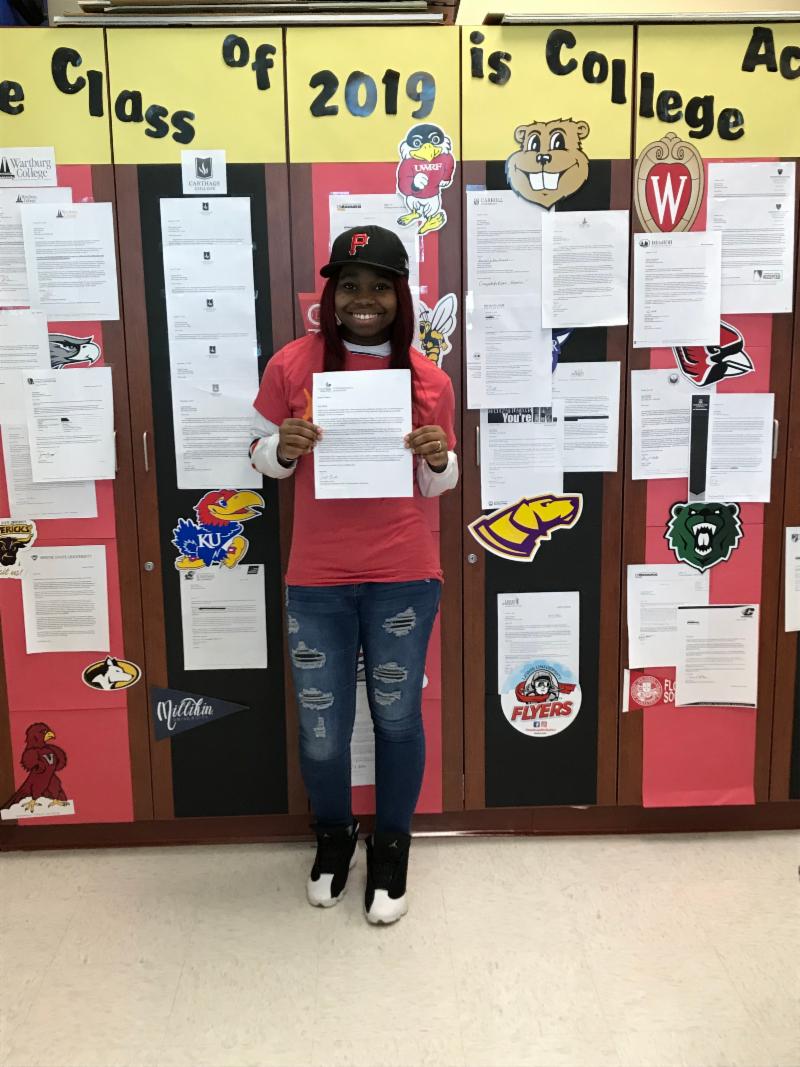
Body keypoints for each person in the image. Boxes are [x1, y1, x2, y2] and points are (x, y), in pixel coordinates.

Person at [249, 225, 458, 925]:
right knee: (321, 727)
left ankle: (391, 846)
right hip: (317, 579)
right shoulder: (293, 365)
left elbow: (437, 483)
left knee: (396, 718)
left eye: (378, 286)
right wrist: (279, 448)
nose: (363, 299)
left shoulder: (428, 380)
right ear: (331, 295)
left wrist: (438, 457)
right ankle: (335, 837)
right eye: (349, 285)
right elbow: (260, 456)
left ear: (400, 296)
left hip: (403, 573)